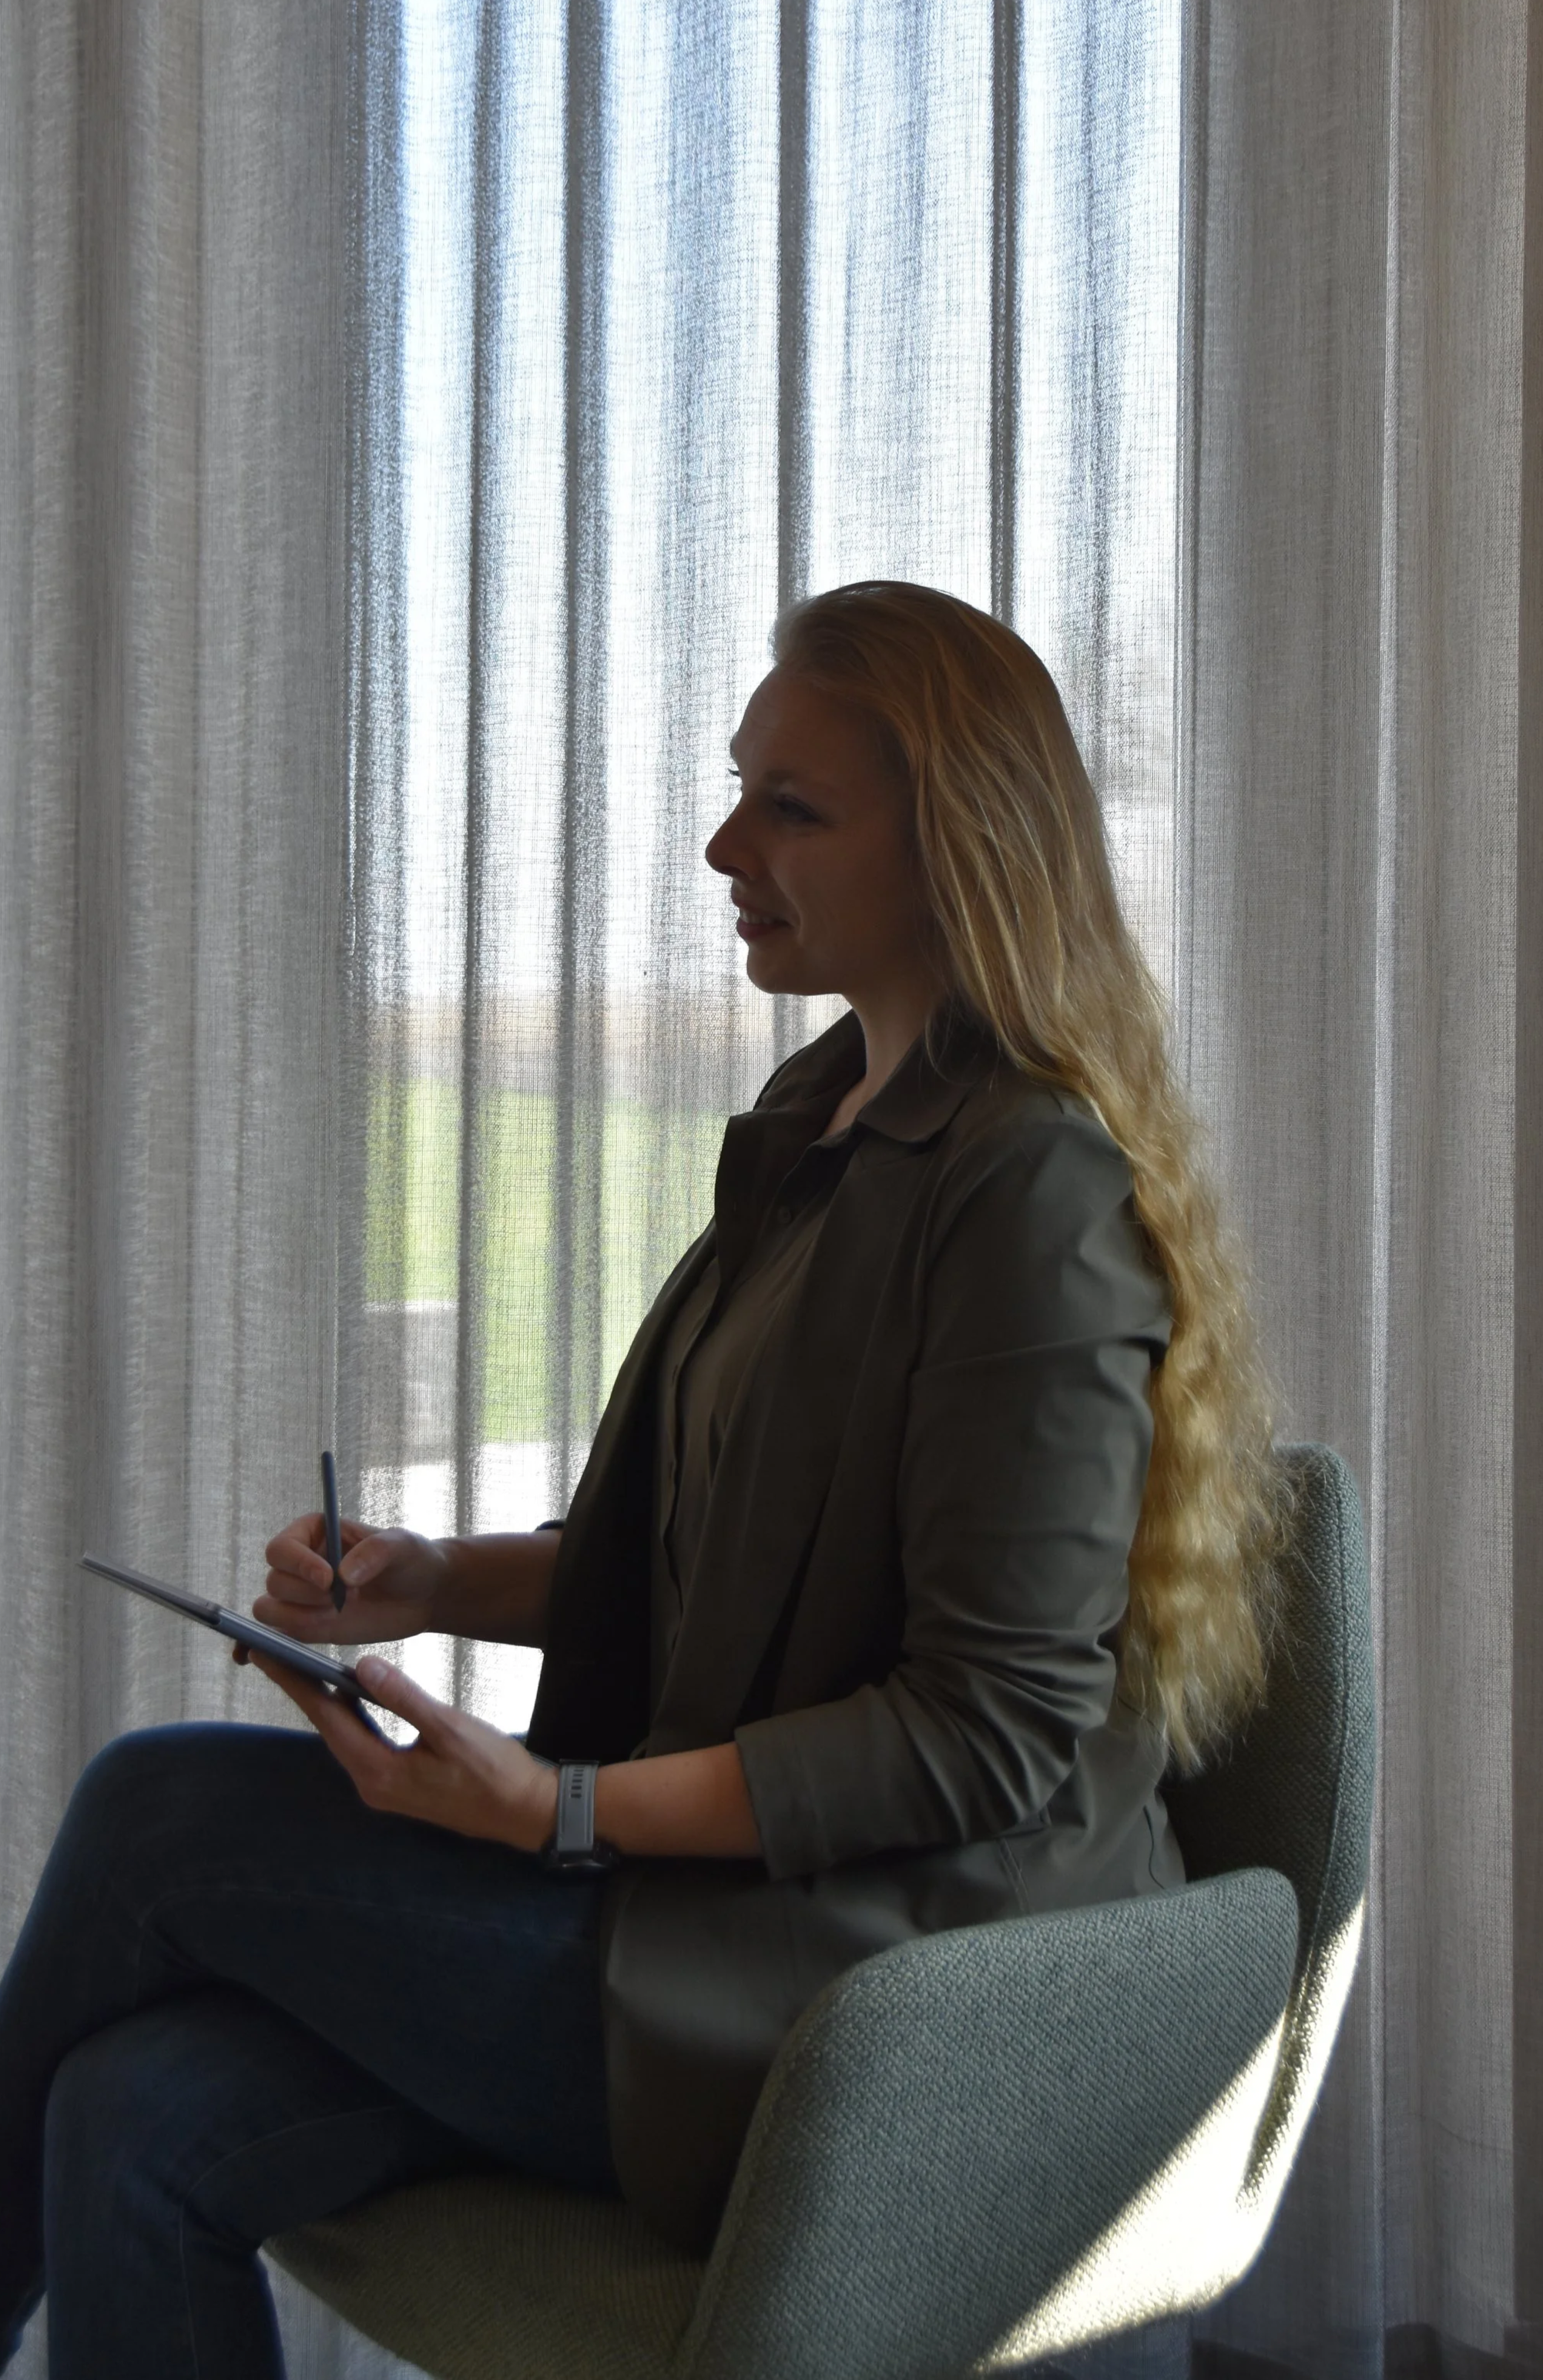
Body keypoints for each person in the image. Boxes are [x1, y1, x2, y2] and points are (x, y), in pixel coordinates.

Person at [0, 581, 1286, 2375]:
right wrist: (436, 1582)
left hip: (872, 1990)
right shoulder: (815, 1127)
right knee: (129, 2112)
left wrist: (559, 1814)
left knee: (157, 1809)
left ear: (955, 850)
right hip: (704, 1906)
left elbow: (987, 1730)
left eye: (793, 807)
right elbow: (696, 1552)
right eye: (738, 786)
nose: (719, 843)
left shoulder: (1032, 1195)